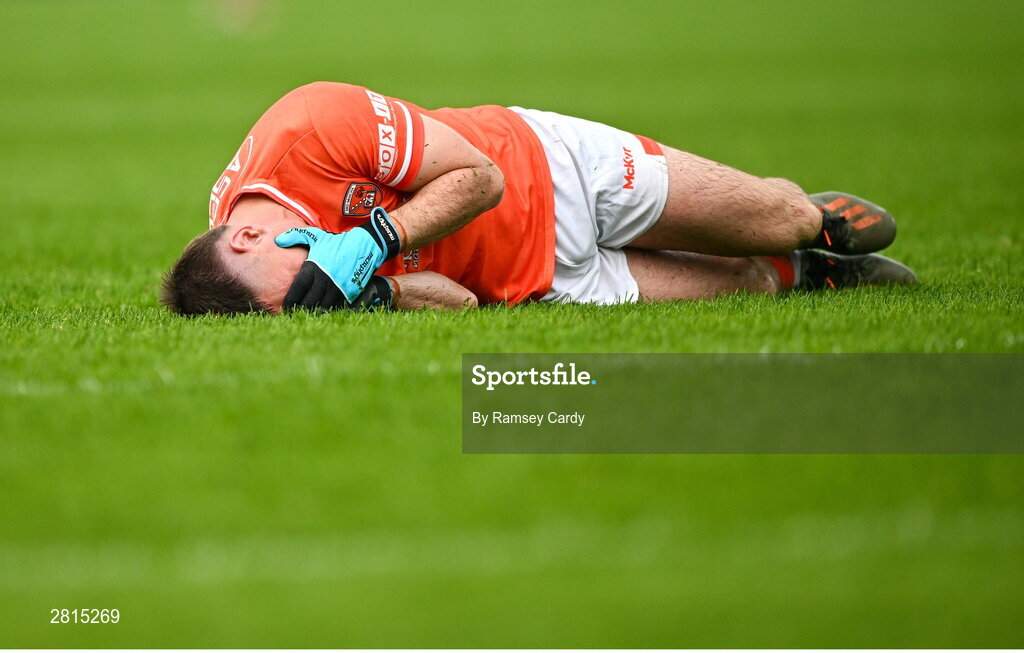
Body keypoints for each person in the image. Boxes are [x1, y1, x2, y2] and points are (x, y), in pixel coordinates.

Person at [161, 82, 916, 315]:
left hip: (549, 166)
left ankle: (805, 219)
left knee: (775, 221)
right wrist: (374, 294)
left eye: (310, 280)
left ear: (247, 238)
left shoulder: (310, 125)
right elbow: (456, 301)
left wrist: (375, 243)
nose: (324, 280)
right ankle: (810, 273)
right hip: (541, 280)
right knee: (751, 283)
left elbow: (480, 177)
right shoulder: (266, 281)